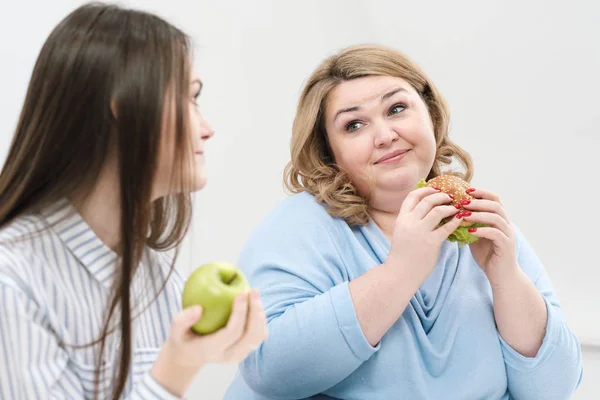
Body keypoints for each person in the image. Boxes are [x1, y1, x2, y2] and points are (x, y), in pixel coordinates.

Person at [225, 44, 583, 399]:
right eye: (354, 125)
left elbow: (554, 389)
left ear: (430, 115)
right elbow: (268, 370)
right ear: (328, 152)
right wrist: (402, 270)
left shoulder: (484, 226)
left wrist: (505, 276)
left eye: (396, 108)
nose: (384, 136)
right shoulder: (298, 228)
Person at [0, 3, 267, 399]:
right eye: (190, 99)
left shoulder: (156, 277)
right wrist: (175, 371)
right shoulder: (12, 278)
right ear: (123, 106)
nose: (207, 129)